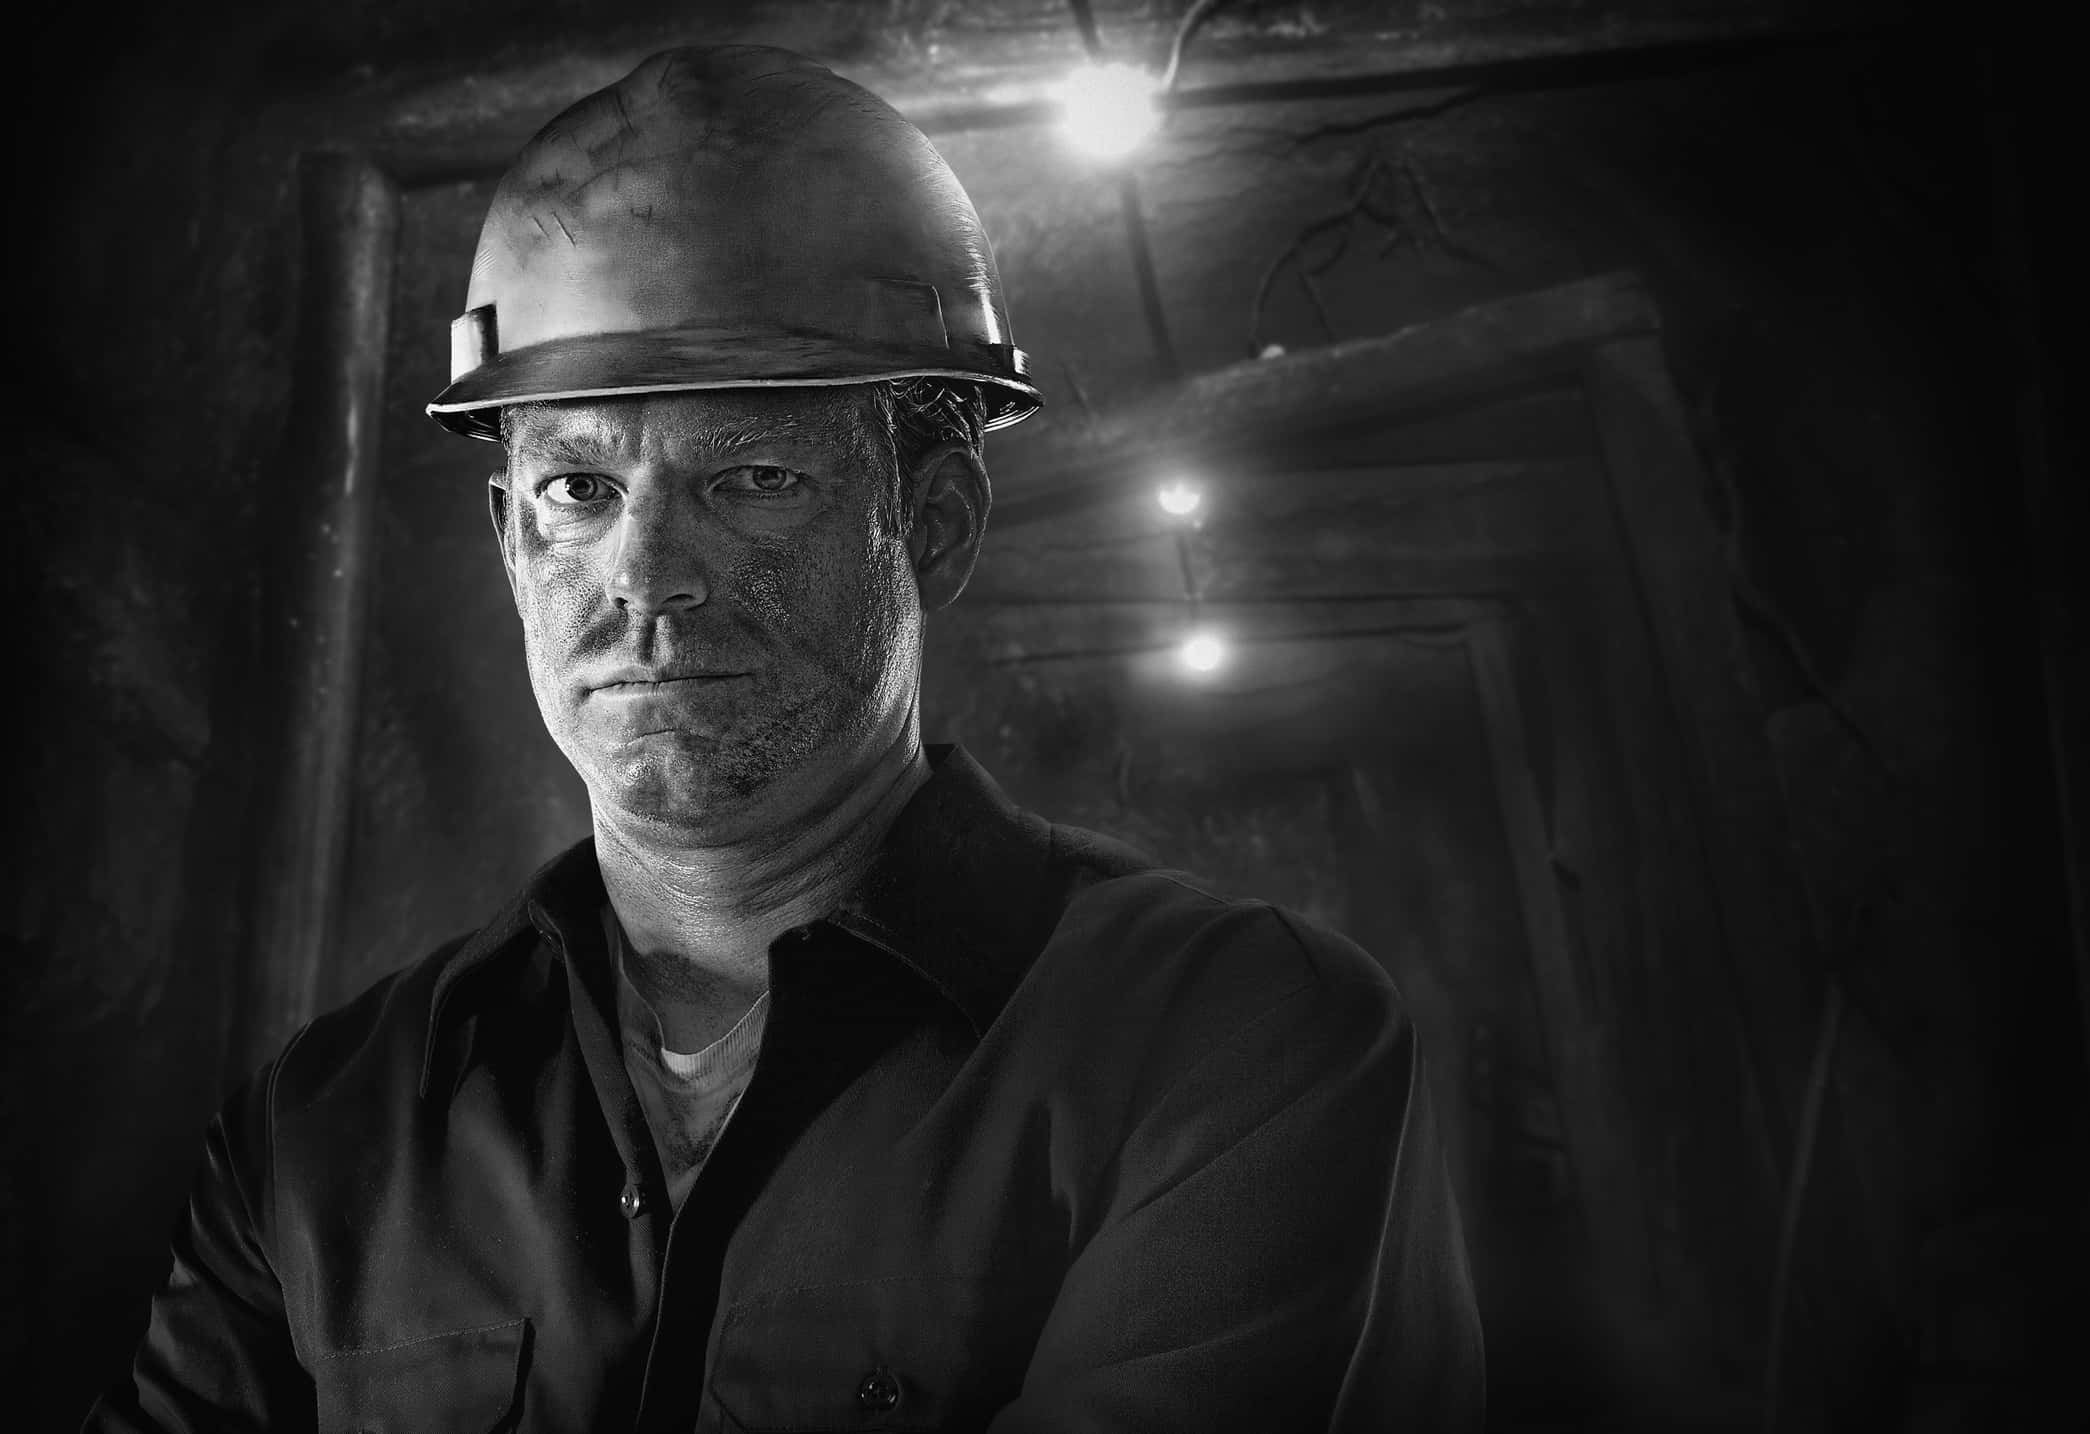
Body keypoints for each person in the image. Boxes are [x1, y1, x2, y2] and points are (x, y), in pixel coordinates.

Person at [89, 44, 1483, 1432]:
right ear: (512, 539)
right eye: (578, 484)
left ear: (930, 526)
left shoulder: (1233, 1046)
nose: (646, 572)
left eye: (751, 478)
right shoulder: (327, 1131)